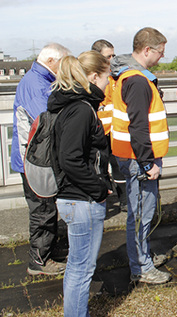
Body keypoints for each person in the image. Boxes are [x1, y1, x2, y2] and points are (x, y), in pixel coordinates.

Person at [48, 51, 113, 316]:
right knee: (81, 268)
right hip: (82, 199)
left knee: (78, 266)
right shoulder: (81, 110)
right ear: (95, 76)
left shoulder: (70, 106)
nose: (109, 83)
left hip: (76, 198)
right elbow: (70, 158)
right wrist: (98, 189)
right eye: (108, 76)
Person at [110, 27, 171, 284]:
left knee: (141, 214)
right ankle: (141, 268)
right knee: (140, 215)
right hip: (139, 160)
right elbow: (138, 126)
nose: (161, 58)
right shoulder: (136, 80)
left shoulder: (130, 76)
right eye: (160, 53)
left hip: (134, 157)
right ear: (147, 50)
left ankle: (141, 257)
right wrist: (148, 164)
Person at [11, 42, 70, 275]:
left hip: (38, 159)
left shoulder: (41, 80)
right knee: (41, 210)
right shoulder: (36, 85)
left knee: (46, 208)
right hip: (34, 161)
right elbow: (47, 120)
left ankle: (48, 251)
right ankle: (38, 261)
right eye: (63, 63)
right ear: (51, 61)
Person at [91, 39, 127, 211]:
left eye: (114, 55)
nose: (112, 59)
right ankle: (102, 203)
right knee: (100, 169)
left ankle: (125, 201)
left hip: (115, 131)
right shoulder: (92, 79)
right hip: (98, 133)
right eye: (108, 56)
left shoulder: (115, 77)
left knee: (119, 167)